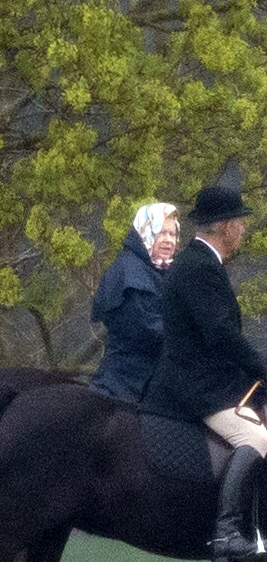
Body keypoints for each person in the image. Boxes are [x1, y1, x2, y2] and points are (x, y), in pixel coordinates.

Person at [144, 186, 267, 562]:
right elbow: (220, 334)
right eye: (240, 223)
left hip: (210, 377)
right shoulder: (200, 267)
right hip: (195, 385)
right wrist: (262, 369)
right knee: (256, 438)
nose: (243, 230)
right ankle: (228, 534)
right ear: (225, 226)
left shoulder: (202, 263)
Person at [89, 202, 179, 403]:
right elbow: (148, 329)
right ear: (145, 233)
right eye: (160, 233)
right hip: (126, 384)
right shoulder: (128, 272)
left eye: (172, 234)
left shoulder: (169, 272)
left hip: (160, 379)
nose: (168, 240)